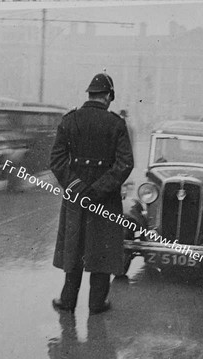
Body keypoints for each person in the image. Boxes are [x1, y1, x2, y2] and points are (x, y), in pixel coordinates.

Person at [50, 73, 134, 315]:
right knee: (102, 249)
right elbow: (125, 164)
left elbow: (56, 161)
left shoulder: (70, 120)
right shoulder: (116, 124)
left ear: (89, 94)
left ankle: (67, 302)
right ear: (108, 96)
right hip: (105, 200)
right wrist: (98, 190)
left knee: (74, 247)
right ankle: (97, 304)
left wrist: (77, 186)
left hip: (75, 197)